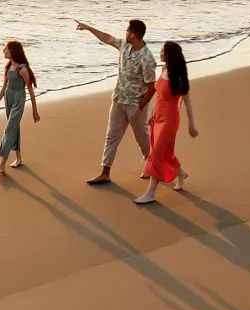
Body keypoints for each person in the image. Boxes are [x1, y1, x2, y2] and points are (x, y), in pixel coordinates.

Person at [74, 17, 155, 186]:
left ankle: (153, 166)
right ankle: (105, 172)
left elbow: (151, 87)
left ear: (133, 35)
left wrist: (140, 107)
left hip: (135, 105)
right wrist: (88, 27)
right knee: (111, 137)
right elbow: (107, 38)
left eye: (126, 31)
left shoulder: (147, 59)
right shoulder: (125, 45)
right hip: (118, 99)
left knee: (143, 139)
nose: (124, 33)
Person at [136, 40, 200, 205]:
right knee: (164, 152)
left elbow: (188, 102)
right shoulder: (164, 69)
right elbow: (160, 96)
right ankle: (181, 173)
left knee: (156, 152)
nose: (160, 53)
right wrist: (152, 114)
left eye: (162, 51)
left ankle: (150, 193)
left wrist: (191, 125)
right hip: (158, 117)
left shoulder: (178, 77)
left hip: (170, 120)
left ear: (169, 55)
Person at [0, 39, 41, 174]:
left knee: (9, 129)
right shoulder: (8, 67)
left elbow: (30, 90)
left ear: (12, 51)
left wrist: (35, 111)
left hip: (18, 100)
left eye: (5, 48)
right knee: (14, 129)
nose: (3, 51)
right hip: (8, 98)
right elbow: (4, 87)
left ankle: (1, 165)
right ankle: (18, 158)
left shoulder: (22, 69)